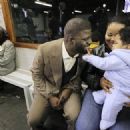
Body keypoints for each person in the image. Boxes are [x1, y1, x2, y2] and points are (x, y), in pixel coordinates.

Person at [27, 17, 92, 130]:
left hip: (69, 88)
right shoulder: (44, 49)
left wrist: (68, 90)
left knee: (75, 116)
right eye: (85, 39)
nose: (90, 42)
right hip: (47, 87)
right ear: (71, 40)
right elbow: (36, 75)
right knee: (33, 120)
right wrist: (50, 96)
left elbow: (78, 76)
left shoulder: (84, 52)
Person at [76, 15, 130, 130]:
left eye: (118, 35)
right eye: (110, 34)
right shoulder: (96, 48)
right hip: (97, 92)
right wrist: (98, 81)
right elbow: (85, 74)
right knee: (84, 127)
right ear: (105, 32)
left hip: (123, 98)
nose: (113, 39)